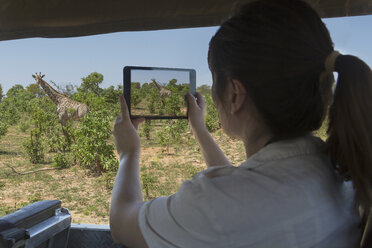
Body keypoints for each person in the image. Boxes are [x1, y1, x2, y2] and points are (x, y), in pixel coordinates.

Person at [110, 0, 372, 247]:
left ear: (235, 95)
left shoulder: (214, 207)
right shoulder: (345, 169)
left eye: (214, 81)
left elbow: (121, 221)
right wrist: (200, 130)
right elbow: (240, 193)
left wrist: (129, 153)